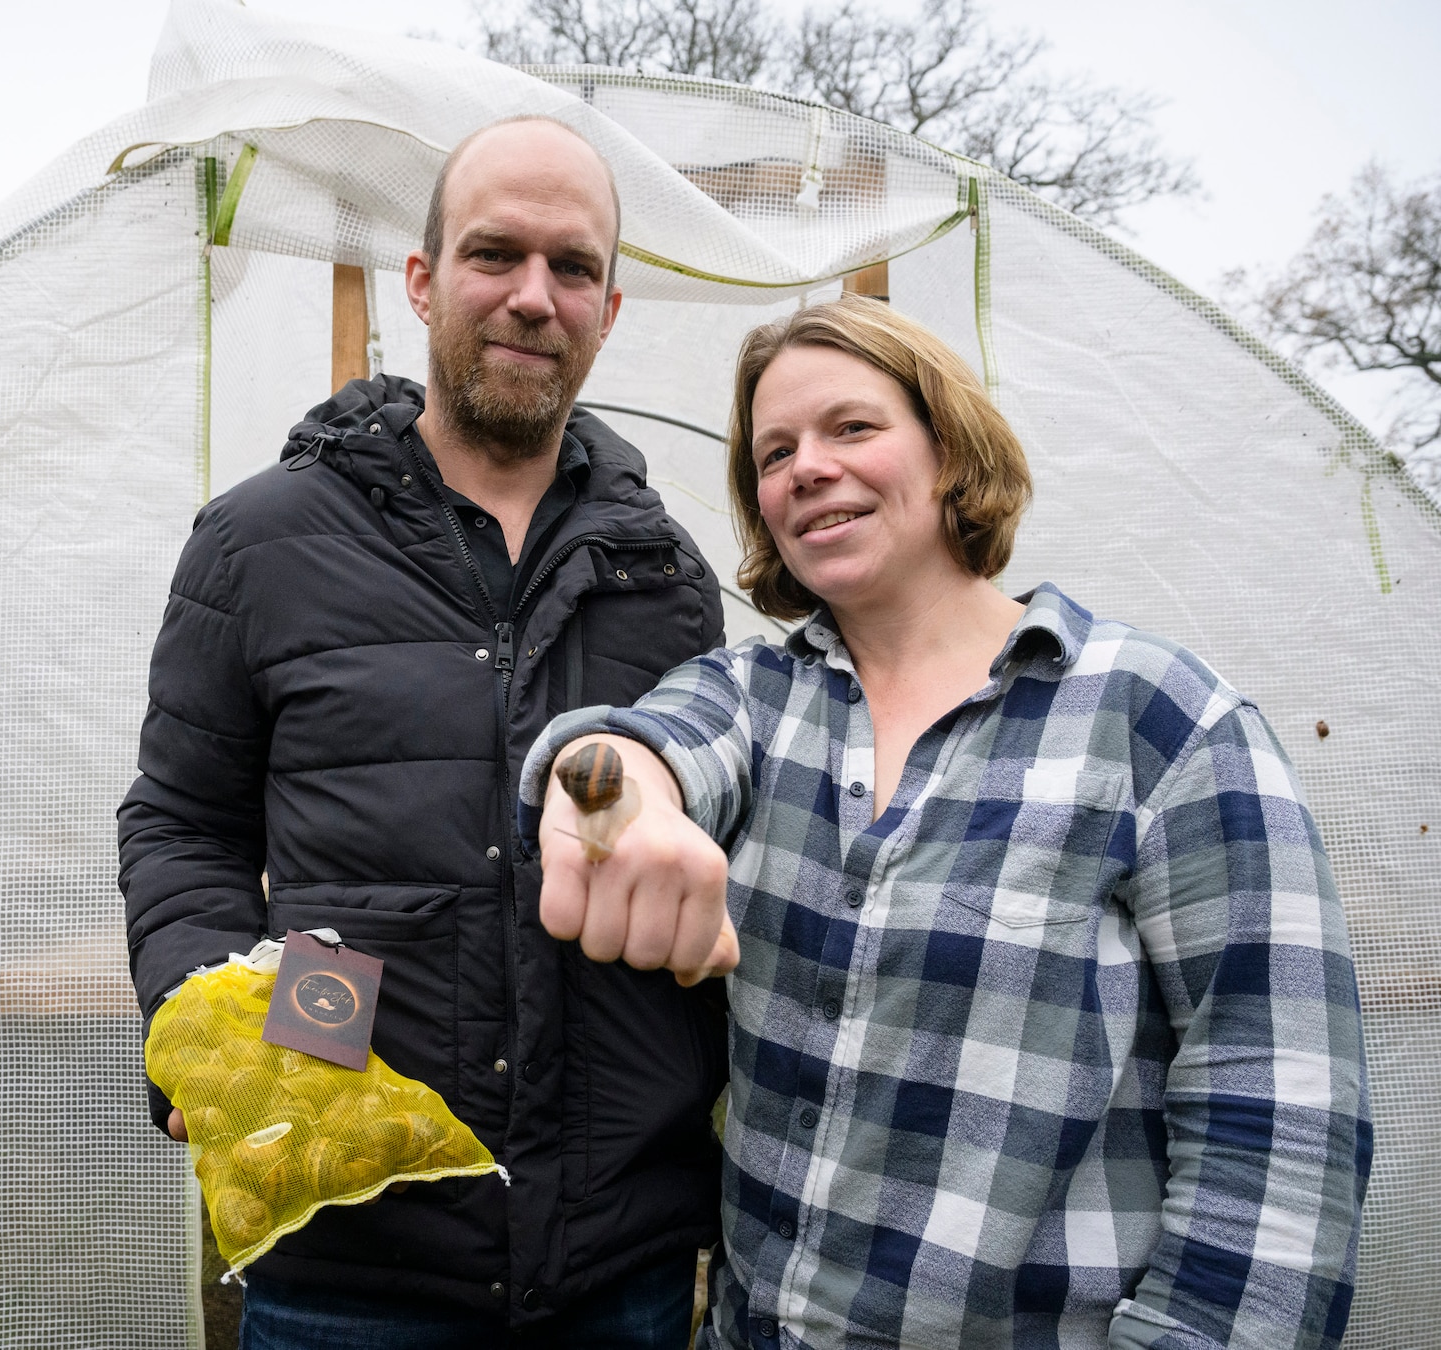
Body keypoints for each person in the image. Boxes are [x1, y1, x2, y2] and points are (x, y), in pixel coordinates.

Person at [522, 295, 1371, 1349]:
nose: (805, 468)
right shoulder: (754, 697)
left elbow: (1279, 1118)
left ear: (951, 446)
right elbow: (645, 743)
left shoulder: (1158, 721)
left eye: (852, 428)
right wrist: (614, 788)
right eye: (774, 451)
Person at [118, 115, 729, 1348]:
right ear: (422, 280)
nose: (531, 297)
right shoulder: (262, 542)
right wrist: (208, 1012)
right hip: (355, 1255)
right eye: (493, 254)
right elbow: (183, 818)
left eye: (572, 268)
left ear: (611, 309)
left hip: (623, 1262)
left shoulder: (663, 574)